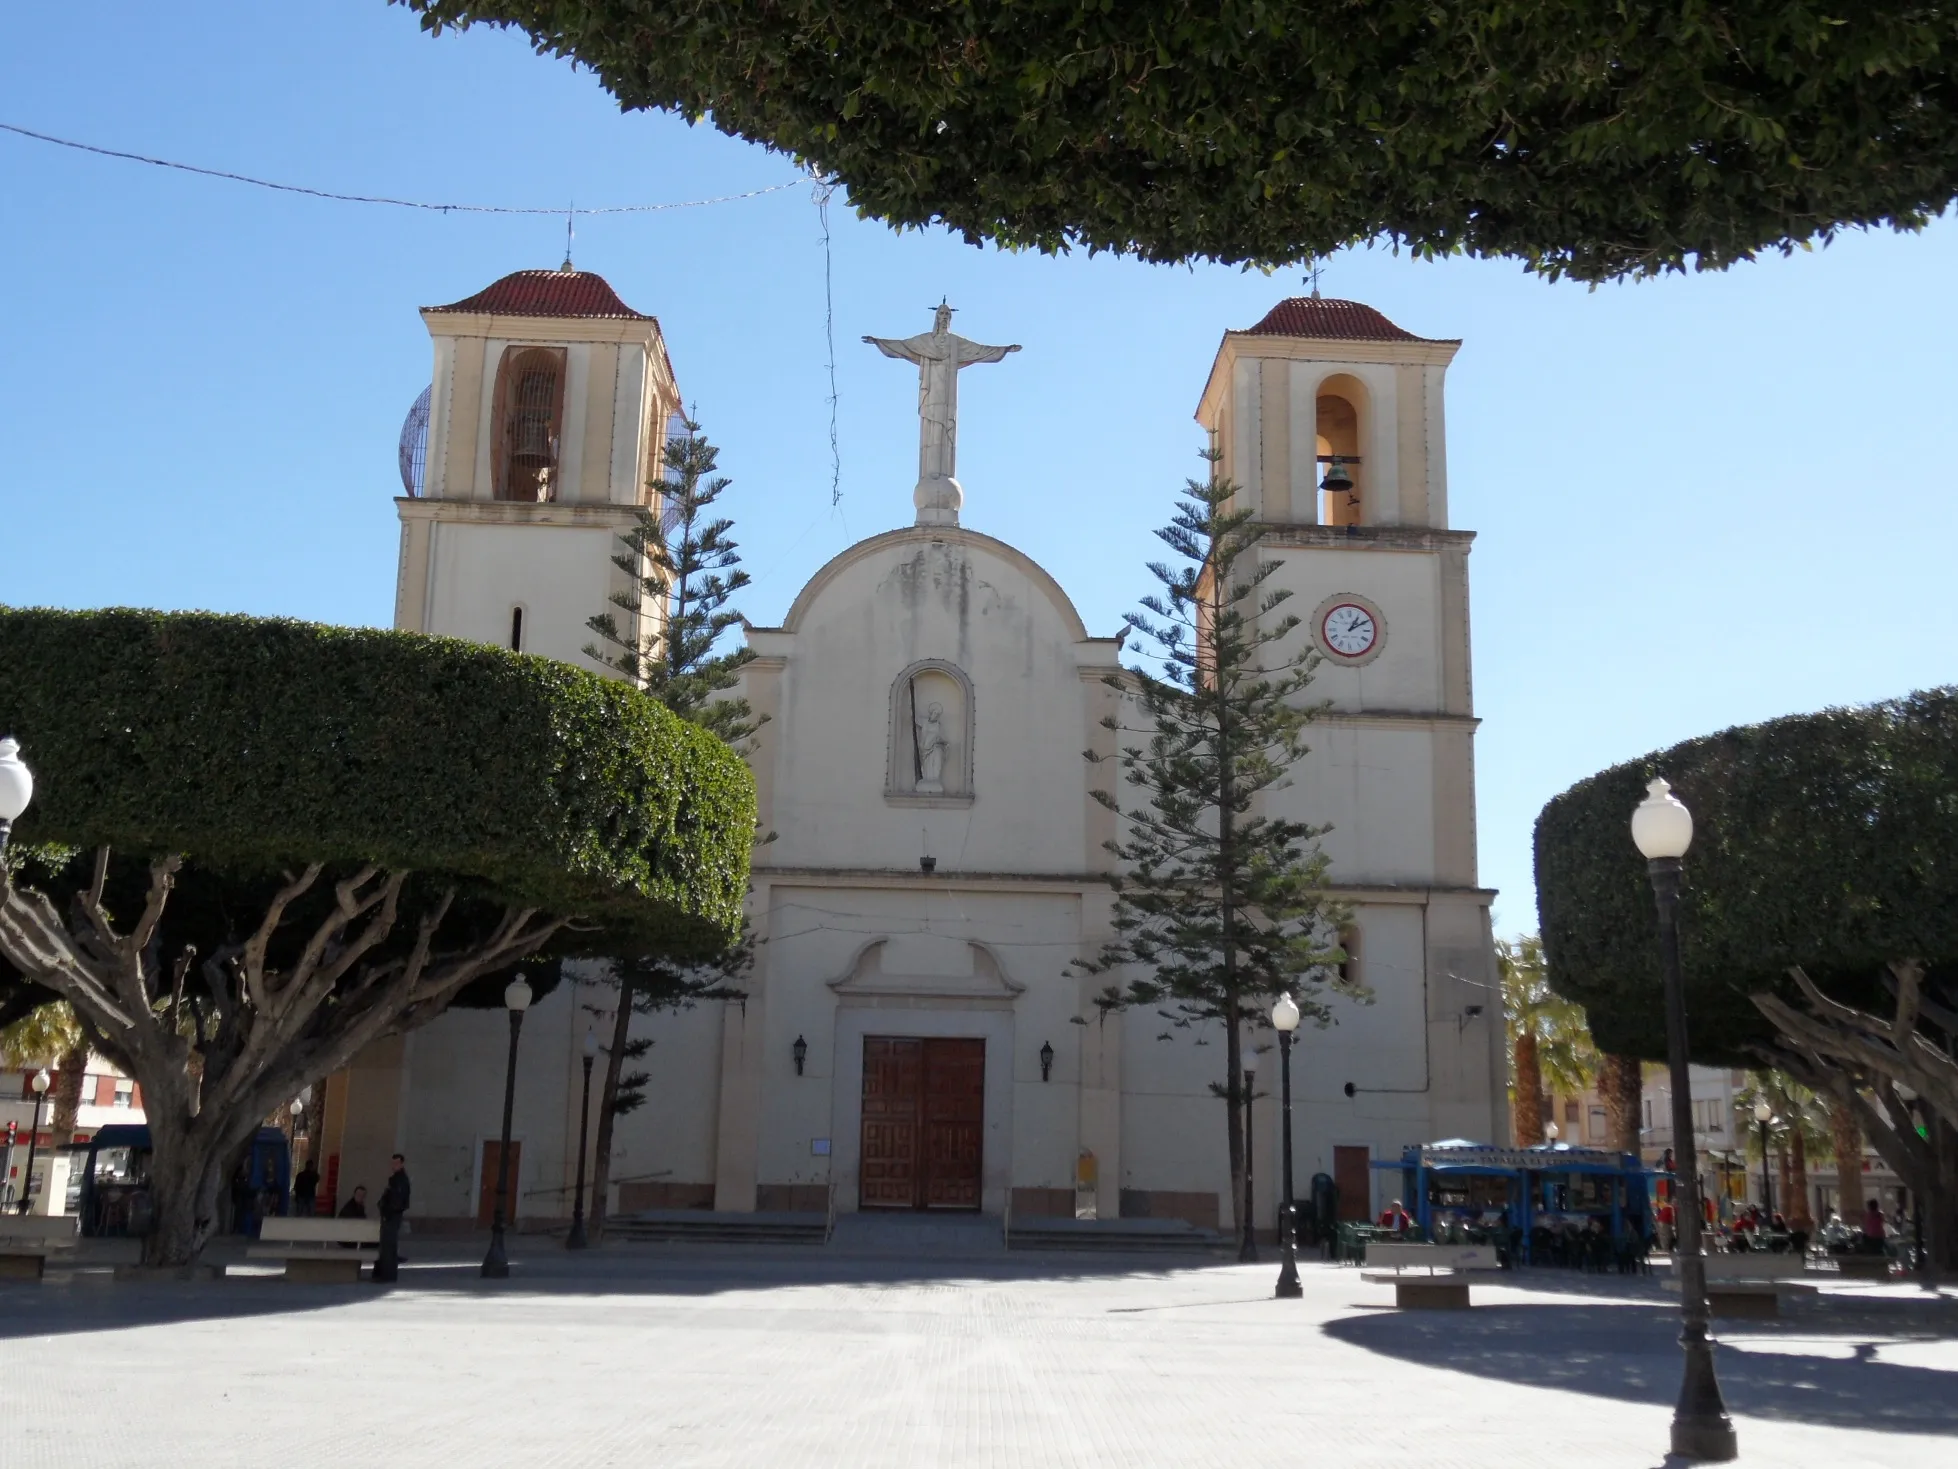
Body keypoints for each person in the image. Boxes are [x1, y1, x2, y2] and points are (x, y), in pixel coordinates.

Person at [373, 1153, 410, 1283]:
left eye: (396, 1163)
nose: (394, 1166)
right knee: (386, 1245)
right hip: (389, 1216)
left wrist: (387, 1211)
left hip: (392, 1217)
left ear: (401, 1164)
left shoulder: (401, 1181)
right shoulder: (395, 1179)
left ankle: (387, 1275)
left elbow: (398, 1201)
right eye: (393, 1163)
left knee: (389, 1246)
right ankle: (384, 1274)